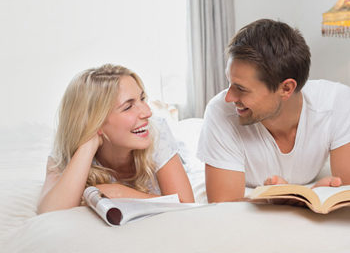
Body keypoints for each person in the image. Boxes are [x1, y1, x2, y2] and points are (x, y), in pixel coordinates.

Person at [197, 19, 350, 203]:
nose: (229, 97)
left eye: (241, 88)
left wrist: (317, 198)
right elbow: (224, 208)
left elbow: (345, 190)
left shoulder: (336, 102)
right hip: (249, 202)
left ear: (286, 89)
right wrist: (278, 200)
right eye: (230, 83)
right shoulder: (220, 111)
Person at [37, 64, 194, 214]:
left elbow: (187, 206)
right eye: (128, 107)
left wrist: (122, 193)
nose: (147, 112)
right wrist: (89, 144)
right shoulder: (67, 150)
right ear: (95, 121)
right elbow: (51, 212)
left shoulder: (156, 132)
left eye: (142, 99)